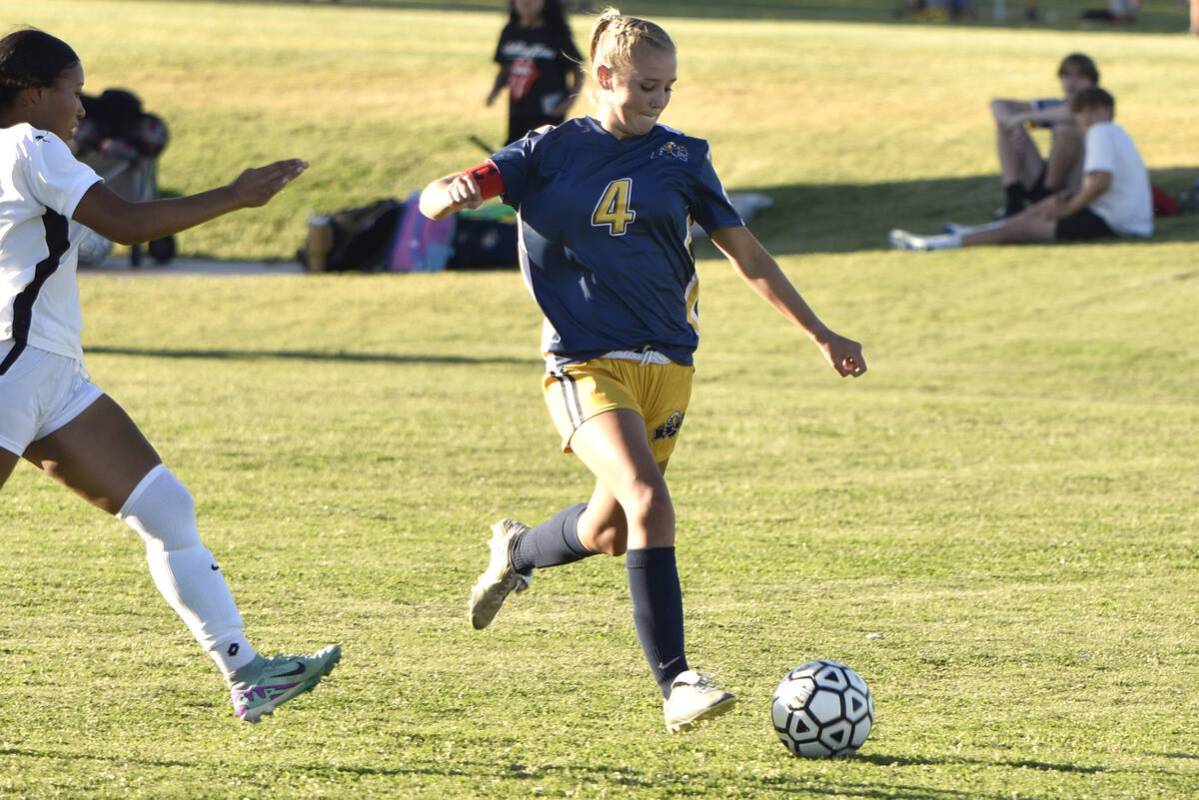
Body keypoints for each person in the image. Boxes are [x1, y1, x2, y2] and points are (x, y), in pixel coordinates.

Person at [422, 8, 867, 733]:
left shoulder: (683, 157)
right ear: (603, 77)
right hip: (583, 363)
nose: (658, 101)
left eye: (667, 88)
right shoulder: (548, 149)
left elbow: (745, 255)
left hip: (669, 366)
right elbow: (454, 183)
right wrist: (447, 193)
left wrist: (819, 331)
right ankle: (677, 683)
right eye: (644, 86)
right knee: (646, 499)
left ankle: (516, 550)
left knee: (608, 530)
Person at [0, 29, 340, 722]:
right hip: (14, 366)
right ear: (34, 93)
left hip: (51, 374)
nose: (82, 108)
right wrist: (236, 195)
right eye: (73, 89)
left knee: (165, 508)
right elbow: (124, 225)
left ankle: (248, 675)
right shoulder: (32, 147)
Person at [890, 87, 1152, 250]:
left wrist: (1069, 208)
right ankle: (971, 232)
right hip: (1121, 216)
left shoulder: (1101, 132)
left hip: (1115, 222)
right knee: (1039, 210)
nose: (1086, 117)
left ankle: (939, 244)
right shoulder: (1116, 133)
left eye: (1092, 110)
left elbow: (1100, 182)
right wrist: (1068, 197)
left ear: (1107, 111)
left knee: (1021, 229)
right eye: (1081, 111)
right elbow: (1106, 182)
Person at [989, 53, 1099, 217]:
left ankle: (1048, 195)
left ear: (1092, 80)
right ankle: (1013, 199)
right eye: (1066, 75)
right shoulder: (1055, 106)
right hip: (1046, 177)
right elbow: (998, 104)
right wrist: (1016, 124)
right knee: (1005, 126)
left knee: (1065, 130)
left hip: (1077, 182)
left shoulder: (1099, 104)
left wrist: (1023, 118)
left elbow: (1073, 113)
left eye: (1081, 76)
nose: (1072, 81)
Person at [487, 0, 585, 145]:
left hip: (548, 112)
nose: (527, 2)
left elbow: (578, 69)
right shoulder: (510, 31)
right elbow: (505, 67)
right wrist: (495, 91)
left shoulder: (555, 33)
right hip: (518, 110)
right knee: (516, 150)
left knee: (544, 152)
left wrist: (569, 100)